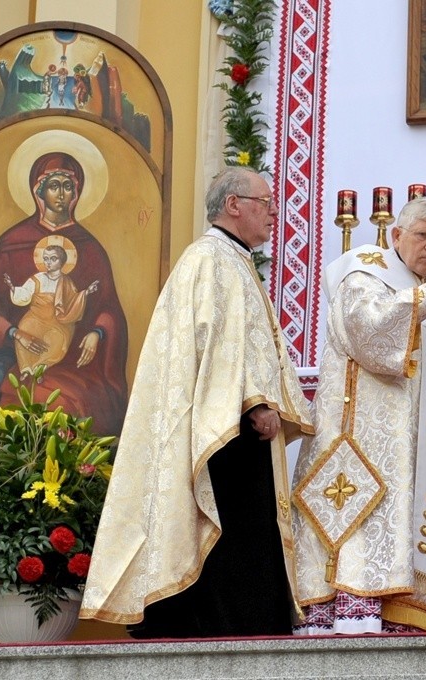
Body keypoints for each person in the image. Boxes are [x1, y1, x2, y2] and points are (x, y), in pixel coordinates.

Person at [80, 167, 314, 638]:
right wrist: (253, 403)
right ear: (233, 205)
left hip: (231, 427)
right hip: (225, 432)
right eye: (265, 202)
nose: (274, 213)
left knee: (247, 540)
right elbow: (217, 342)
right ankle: (228, 636)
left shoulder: (232, 260)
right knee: (230, 539)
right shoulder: (211, 260)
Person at [291, 197, 426, 634]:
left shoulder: (421, 290)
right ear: (396, 236)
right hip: (365, 452)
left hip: (410, 454)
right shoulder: (364, 274)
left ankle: (411, 617)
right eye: (423, 236)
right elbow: (371, 338)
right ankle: (354, 620)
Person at [0, 151, 129, 435]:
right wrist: (16, 334)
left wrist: (97, 333)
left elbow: (108, 307)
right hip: (13, 349)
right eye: (54, 185)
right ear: (38, 191)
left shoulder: (89, 247)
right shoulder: (12, 242)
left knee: (86, 400)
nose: (61, 194)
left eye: (68, 186)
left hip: (72, 352)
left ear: (77, 193)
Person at [5, 243, 99, 378]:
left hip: (57, 322)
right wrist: (14, 289)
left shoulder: (66, 282)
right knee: (25, 328)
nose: (48, 262)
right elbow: (25, 294)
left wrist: (86, 293)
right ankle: (26, 369)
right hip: (35, 317)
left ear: (62, 261)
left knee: (57, 339)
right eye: (46, 258)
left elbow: (73, 301)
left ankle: (40, 367)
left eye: (53, 258)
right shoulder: (37, 278)